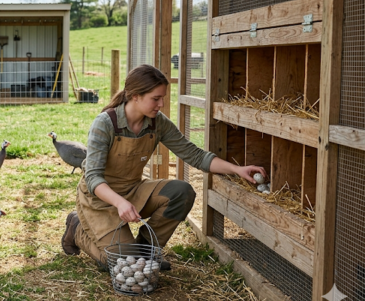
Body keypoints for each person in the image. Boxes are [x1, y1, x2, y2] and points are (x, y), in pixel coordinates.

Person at [61, 64, 266, 270]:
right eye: (155, 98)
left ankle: (145, 252)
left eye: (163, 98)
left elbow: (194, 155)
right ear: (135, 96)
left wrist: (237, 169)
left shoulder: (157, 123)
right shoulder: (105, 124)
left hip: (132, 190)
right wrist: (120, 203)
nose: (161, 104)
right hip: (99, 200)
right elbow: (93, 178)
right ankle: (77, 228)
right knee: (120, 265)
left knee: (181, 192)